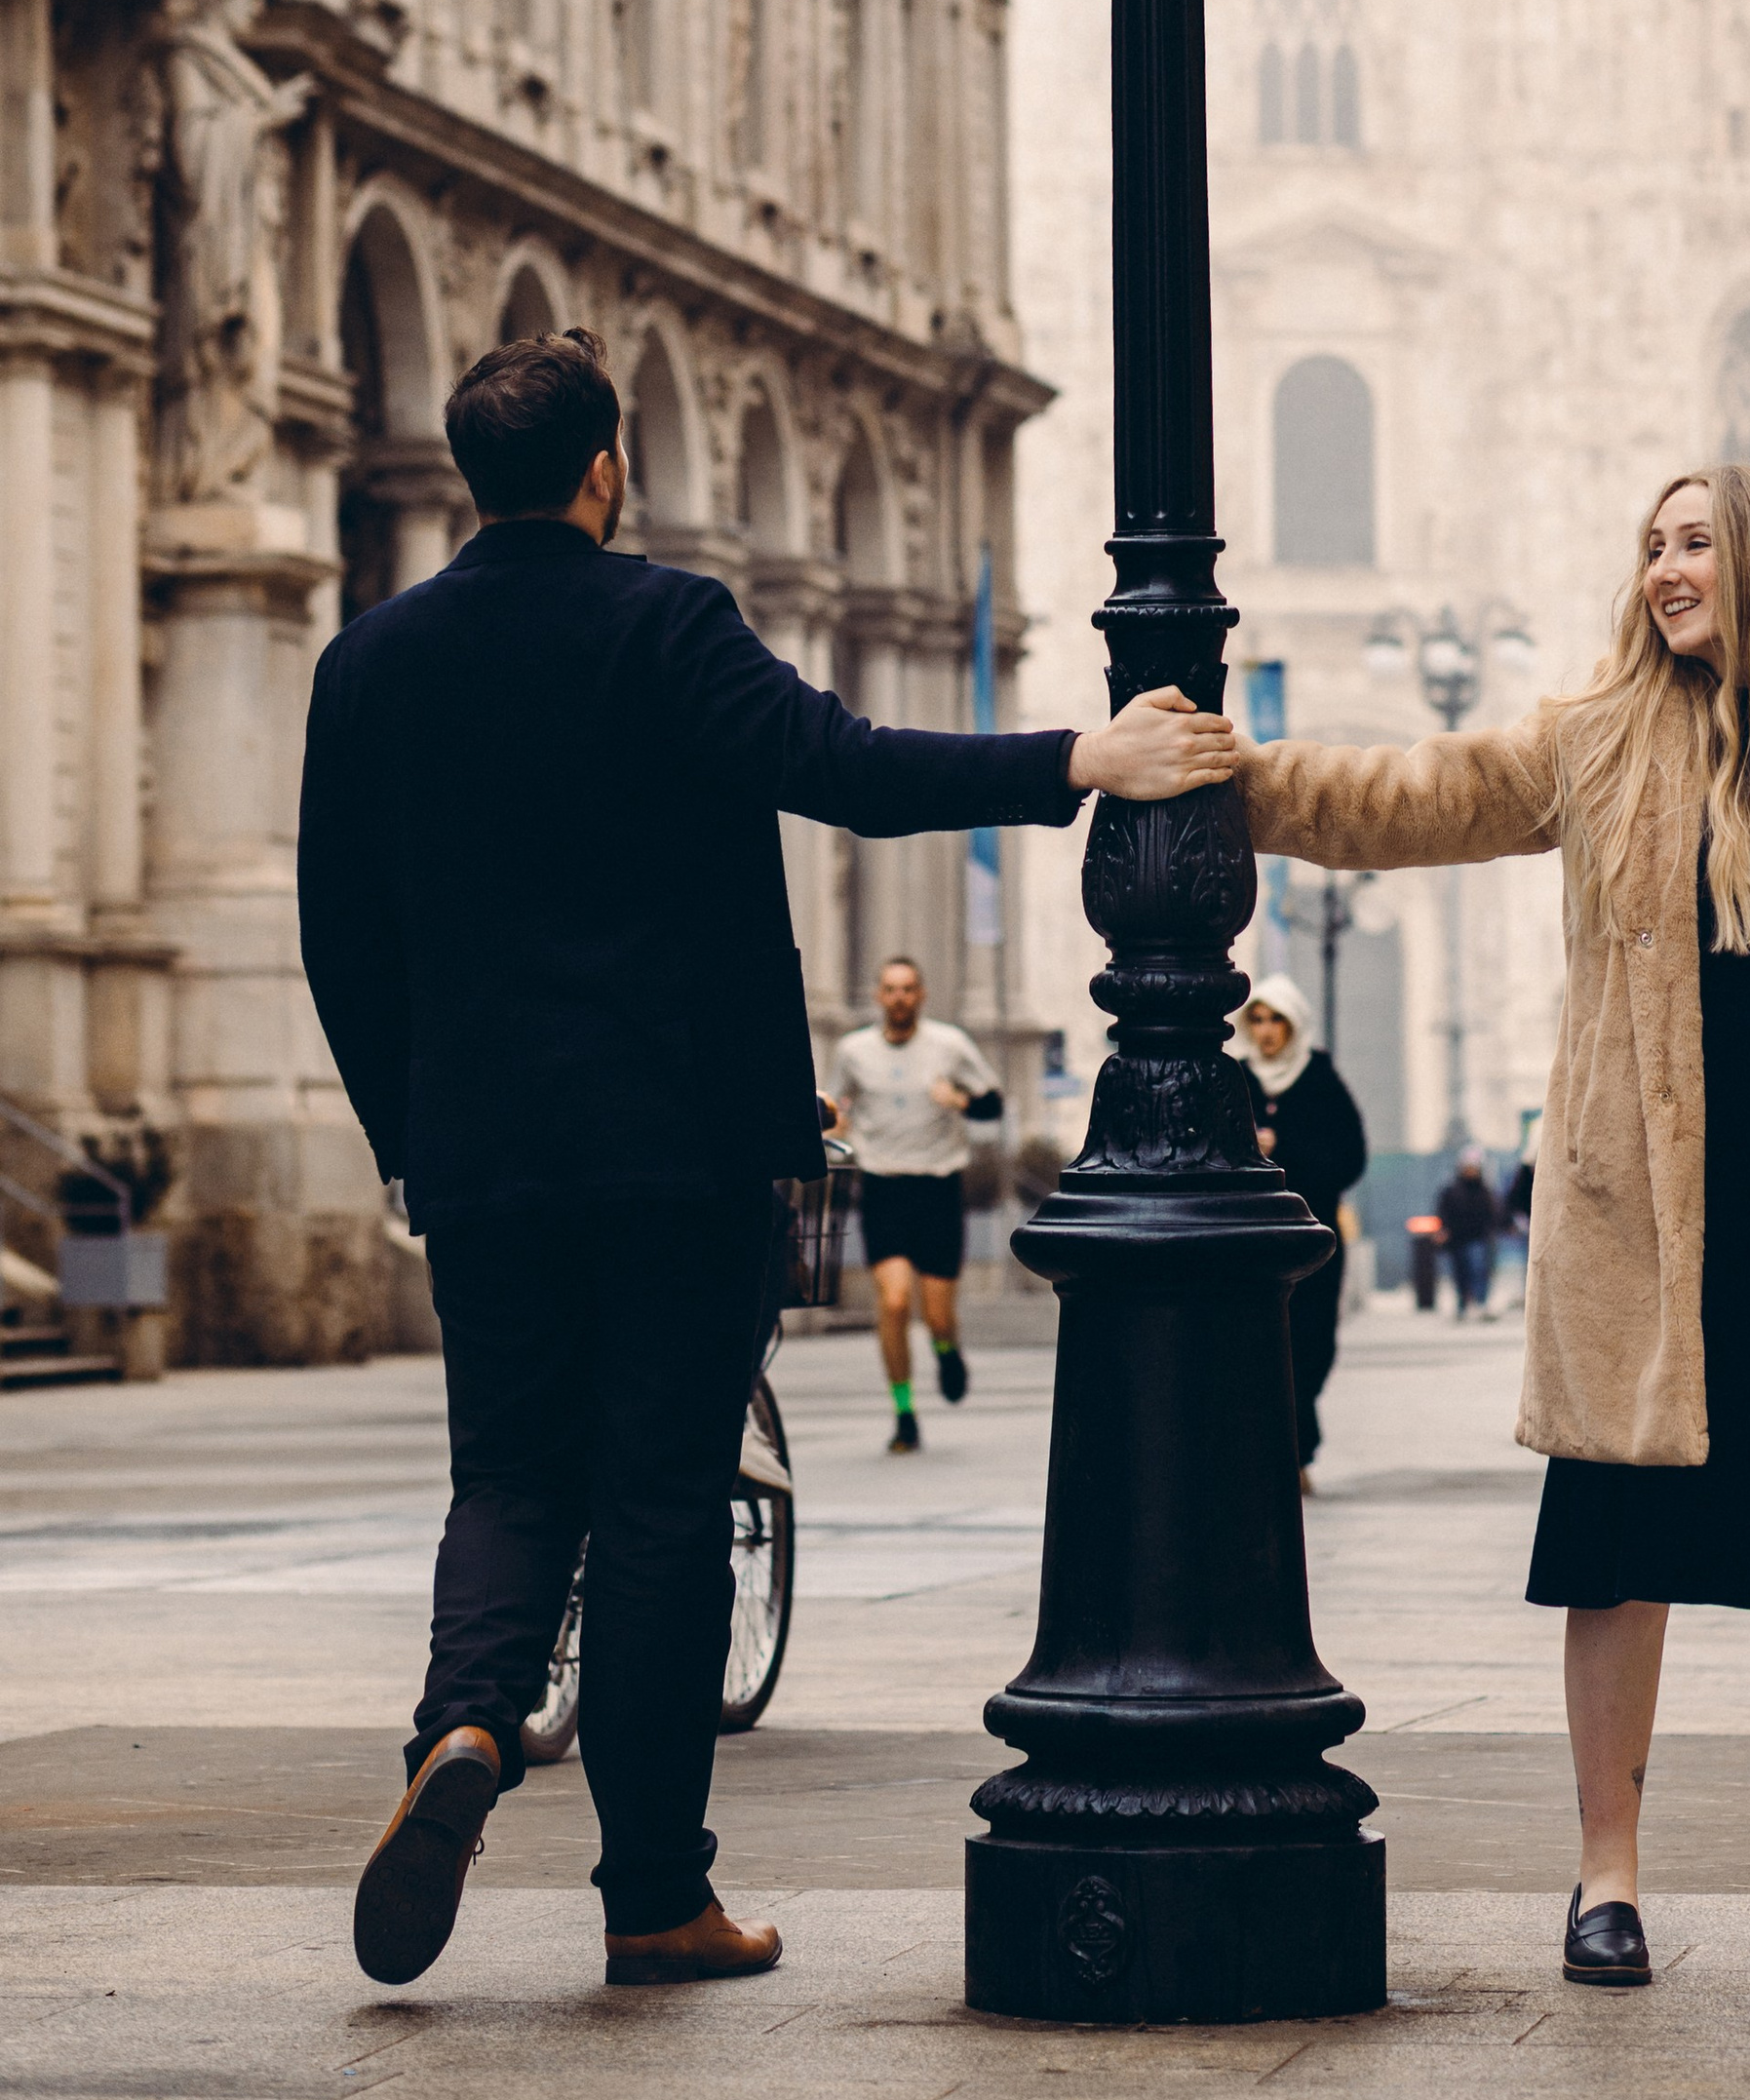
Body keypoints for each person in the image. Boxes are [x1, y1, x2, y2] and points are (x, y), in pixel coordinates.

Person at [296, 328, 1230, 1999]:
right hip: (682, 1153)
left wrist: (410, 1136)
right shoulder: (667, 626)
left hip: (488, 1162)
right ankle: (655, 1898)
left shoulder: (369, 663)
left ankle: (464, 1720)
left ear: (470, 475)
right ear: (606, 466)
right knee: (662, 1503)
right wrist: (1080, 762)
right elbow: (843, 770)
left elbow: (341, 941)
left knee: (509, 1471)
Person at [1236, 464, 1750, 2015]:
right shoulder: (1601, 739)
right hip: (1647, 1222)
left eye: (1693, 545)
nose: (1664, 572)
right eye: (1651, 548)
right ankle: (1606, 1876)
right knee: (1618, 1559)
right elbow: (1419, 798)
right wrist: (1244, 780)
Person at [828, 956, 1004, 1454]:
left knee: (939, 1316)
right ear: (879, 996)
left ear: (921, 995)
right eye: (890, 989)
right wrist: (834, 1122)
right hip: (882, 1188)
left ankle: (948, 1351)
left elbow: (994, 1102)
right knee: (894, 1300)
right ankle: (904, 1414)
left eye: (908, 988)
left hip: (939, 1188)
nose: (899, 997)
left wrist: (961, 1102)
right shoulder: (853, 1050)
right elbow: (832, 1105)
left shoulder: (949, 1045)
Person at [1235, 972, 1368, 1481]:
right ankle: (1287, 1454)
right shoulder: (1238, 1079)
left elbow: (1350, 1156)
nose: (1266, 1031)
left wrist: (1284, 1151)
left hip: (1314, 1235)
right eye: (1259, 1019)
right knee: (1262, 1343)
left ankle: (1296, 1441)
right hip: (1250, 1238)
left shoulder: (1318, 1078)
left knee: (1314, 1342)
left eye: (1276, 1020)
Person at [1438, 1147, 1504, 1318]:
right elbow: (1444, 1213)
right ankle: (1463, 1303)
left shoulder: (1485, 1192)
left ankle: (1480, 1303)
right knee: (1461, 1273)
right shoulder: (1452, 1191)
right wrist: (1444, 1230)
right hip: (1458, 1239)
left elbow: (1493, 1214)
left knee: (1479, 1270)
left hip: (1479, 1238)